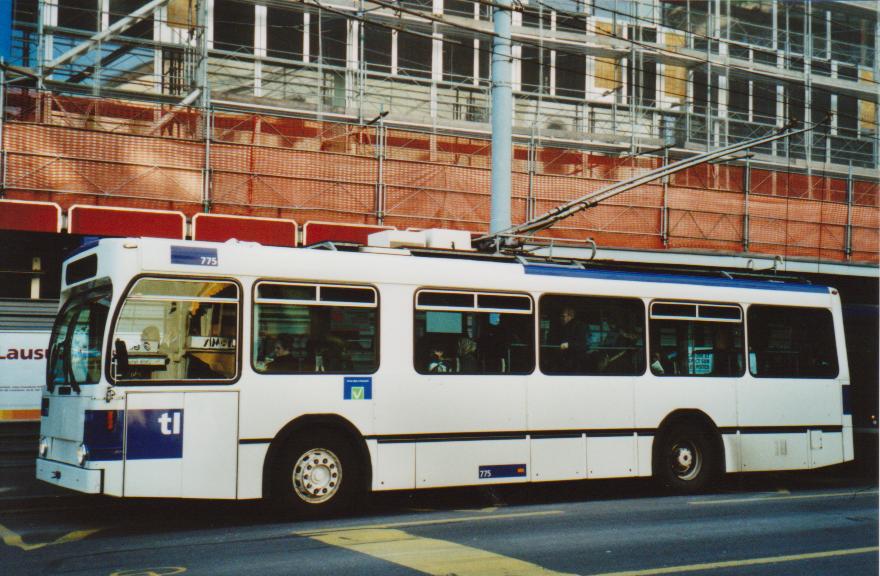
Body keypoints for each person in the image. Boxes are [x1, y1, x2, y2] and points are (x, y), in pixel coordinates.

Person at [547, 306, 588, 372]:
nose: (561, 318)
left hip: (575, 361)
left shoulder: (579, 326)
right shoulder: (561, 327)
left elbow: (582, 344)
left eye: (563, 316)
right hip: (564, 360)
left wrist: (568, 345)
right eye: (561, 316)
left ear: (571, 316)